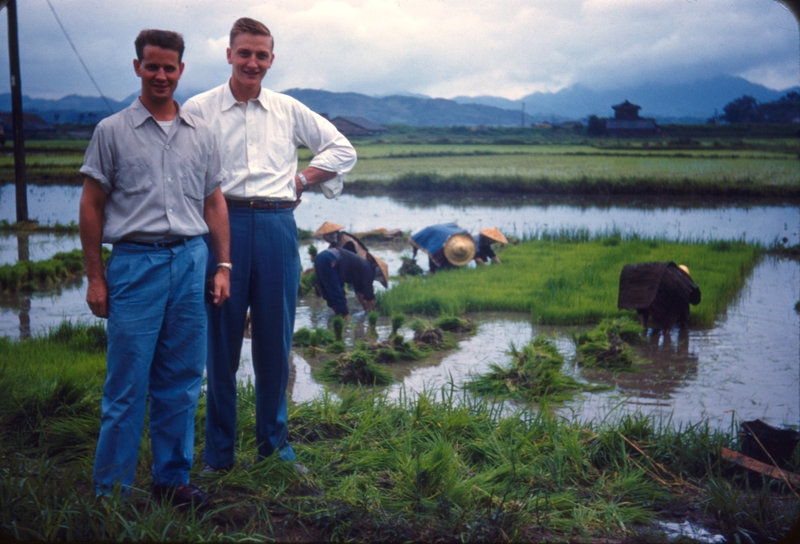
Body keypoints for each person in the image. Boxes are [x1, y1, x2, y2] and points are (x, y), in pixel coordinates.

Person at [183, 17, 357, 473]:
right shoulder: (199, 108)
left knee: (275, 341)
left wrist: (301, 178)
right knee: (221, 343)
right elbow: (181, 168)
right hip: (223, 225)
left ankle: (274, 449)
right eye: (244, 53)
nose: (252, 62)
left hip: (279, 226)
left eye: (261, 55)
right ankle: (218, 457)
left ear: (271, 60)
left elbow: (343, 151)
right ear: (229, 55)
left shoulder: (288, 109)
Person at [79, 29, 230, 507]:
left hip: (190, 259)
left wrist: (222, 264)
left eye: (169, 67)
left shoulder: (201, 134)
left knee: (183, 379)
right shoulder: (112, 131)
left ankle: (171, 480)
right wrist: (96, 277)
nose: (161, 75)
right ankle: (112, 493)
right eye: (152, 66)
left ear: (181, 70)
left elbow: (214, 202)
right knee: (126, 385)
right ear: (137, 67)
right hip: (135, 263)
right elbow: (91, 205)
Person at [315, 248, 388, 319]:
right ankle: (346, 320)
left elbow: (359, 292)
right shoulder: (368, 270)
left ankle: (339, 316)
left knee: (326, 291)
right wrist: (374, 312)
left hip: (320, 257)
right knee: (336, 291)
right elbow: (369, 295)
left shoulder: (361, 266)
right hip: (332, 259)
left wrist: (366, 309)